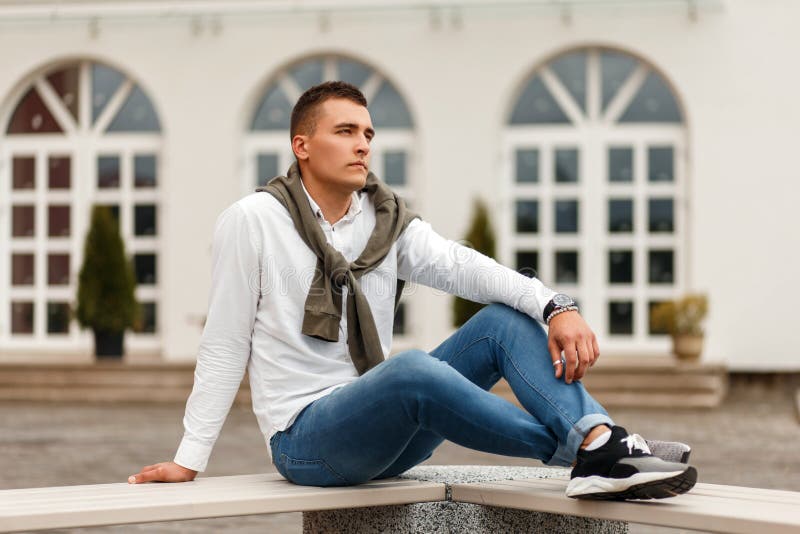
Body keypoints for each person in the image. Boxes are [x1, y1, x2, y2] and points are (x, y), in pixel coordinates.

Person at [128, 81, 696, 500]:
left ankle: (601, 441)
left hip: (391, 435)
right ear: (302, 145)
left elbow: (463, 266)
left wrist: (557, 305)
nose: (363, 146)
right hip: (308, 442)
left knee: (503, 320)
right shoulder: (252, 220)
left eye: (368, 134)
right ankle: (602, 450)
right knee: (410, 370)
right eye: (345, 132)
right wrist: (189, 458)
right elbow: (226, 343)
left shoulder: (383, 219)